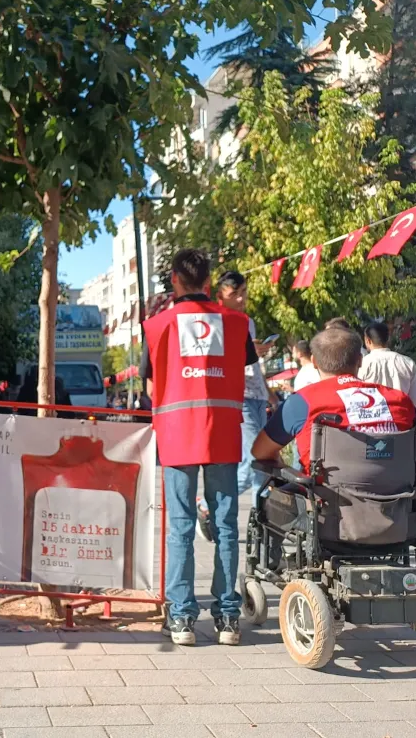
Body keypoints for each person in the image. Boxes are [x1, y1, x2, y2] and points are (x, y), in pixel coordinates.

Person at [140, 249, 258, 646]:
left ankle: (182, 618)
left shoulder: (157, 326)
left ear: (175, 279)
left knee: (181, 526)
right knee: (225, 526)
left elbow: (151, 386)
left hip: (176, 434)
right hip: (223, 431)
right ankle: (227, 618)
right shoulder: (237, 323)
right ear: (208, 282)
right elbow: (237, 370)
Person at [252, 327, 416, 472]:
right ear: (360, 360)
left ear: (315, 362)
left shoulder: (302, 402)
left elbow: (260, 451)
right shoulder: (399, 400)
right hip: (397, 513)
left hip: (326, 512)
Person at [215, 271, 278, 502]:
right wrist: (247, 351)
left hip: (257, 395)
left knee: (257, 461)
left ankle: (258, 520)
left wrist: (269, 393)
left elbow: (253, 365)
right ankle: (212, 506)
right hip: (237, 396)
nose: (241, 299)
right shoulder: (217, 320)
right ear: (221, 296)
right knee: (255, 459)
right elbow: (218, 360)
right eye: (235, 294)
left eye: (244, 293)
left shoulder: (248, 321)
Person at [358, 321, 416, 412]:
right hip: (401, 421)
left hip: (372, 421)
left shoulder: (362, 364)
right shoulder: (407, 363)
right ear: (388, 339)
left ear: (368, 341)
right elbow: (415, 400)